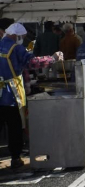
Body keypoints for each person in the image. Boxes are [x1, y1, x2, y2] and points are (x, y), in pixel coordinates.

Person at [0, 23, 62, 169]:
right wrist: (53, 58)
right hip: (11, 94)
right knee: (14, 126)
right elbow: (32, 62)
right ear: (17, 36)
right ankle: (15, 158)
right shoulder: (16, 49)